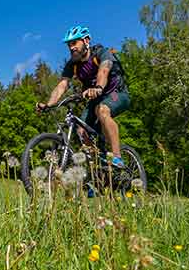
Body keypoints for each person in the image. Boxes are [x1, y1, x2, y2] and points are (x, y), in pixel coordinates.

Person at [37, 25, 130, 167]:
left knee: (102, 110)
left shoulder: (100, 53)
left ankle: (117, 157)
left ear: (86, 41)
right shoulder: (72, 65)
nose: (71, 47)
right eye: (69, 45)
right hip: (95, 99)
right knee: (81, 130)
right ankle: (97, 170)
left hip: (116, 92)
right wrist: (49, 104)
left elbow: (104, 70)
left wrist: (98, 87)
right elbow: (62, 85)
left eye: (74, 43)